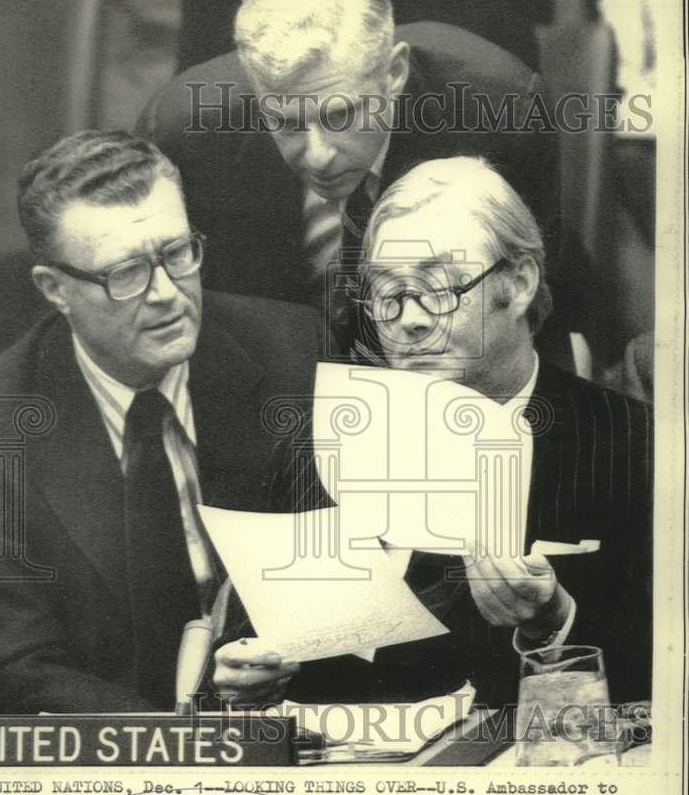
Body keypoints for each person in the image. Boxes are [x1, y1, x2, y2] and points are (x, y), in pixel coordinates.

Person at [214, 157, 652, 707]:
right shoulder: (318, 444)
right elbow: (245, 642)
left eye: (439, 287)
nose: (410, 320)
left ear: (518, 284)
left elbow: (662, 682)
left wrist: (554, 623)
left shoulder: (631, 445)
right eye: (387, 293)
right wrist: (246, 678)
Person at [0, 130, 322, 714]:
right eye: (125, 274)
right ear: (55, 290)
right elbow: (11, 666)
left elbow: (354, 580)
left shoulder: (293, 353)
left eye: (176, 253)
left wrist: (278, 662)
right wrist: (175, 745)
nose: (166, 294)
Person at [136, 0, 570, 367]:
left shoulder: (499, 108)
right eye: (284, 123)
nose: (318, 155)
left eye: (340, 115)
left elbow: (526, 313)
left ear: (394, 72)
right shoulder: (184, 132)